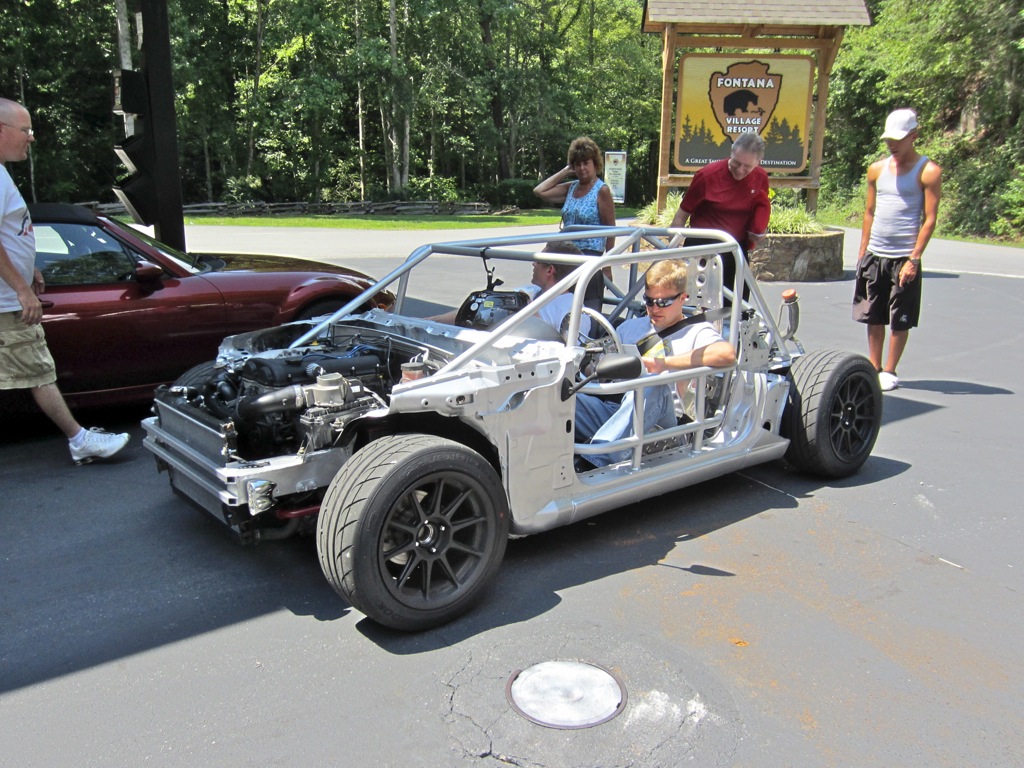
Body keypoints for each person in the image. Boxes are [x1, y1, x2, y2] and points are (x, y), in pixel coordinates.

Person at [0, 98, 130, 464]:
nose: (31, 137)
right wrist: (21, 289)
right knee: (39, 370)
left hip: (9, 292)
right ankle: (79, 439)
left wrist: (28, 269)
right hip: (7, 302)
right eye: (25, 130)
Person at [574, 259, 736, 468]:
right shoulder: (630, 328)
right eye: (649, 301)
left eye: (663, 302)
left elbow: (726, 354)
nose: (654, 309)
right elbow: (597, 369)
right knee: (560, 393)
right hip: (619, 412)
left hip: (665, 423)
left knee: (652, 384)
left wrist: (663, 364)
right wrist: (592, 365)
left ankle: (594, 462)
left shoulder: (697, 331)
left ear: (683, 298)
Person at [853, 108, 942, 392]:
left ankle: (890, 370)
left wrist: (914, 259)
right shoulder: (876, 170)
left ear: (913, 136)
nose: (892, 144)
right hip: (876, 253)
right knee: (873, 313)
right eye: (889, 139)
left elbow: (929, 219)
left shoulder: (928, 171)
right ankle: (874, 367)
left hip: (904, 256)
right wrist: (863, 251)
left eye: (898, 138)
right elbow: (869, 212)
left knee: (899, 317)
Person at [670, 132, 771, 300]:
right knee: (697, 304)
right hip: (702, 249)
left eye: (747, 167)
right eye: (736, 163)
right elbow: (681, 216)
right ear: (731, 152)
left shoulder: (760, 177)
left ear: (758, 162)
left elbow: (761, 209)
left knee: (737, 306)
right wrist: (673, 256)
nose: (740, 170)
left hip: (735, 249)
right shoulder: (707, 175)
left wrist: (760, 232)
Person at [533, 136, 616, 309]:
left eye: (586, 163)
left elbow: (611, 230)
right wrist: (565, 171)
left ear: (595, 164)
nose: (582, 168)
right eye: (577, 164)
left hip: (588, 257)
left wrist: (607, 265)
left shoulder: (601, 190)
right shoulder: (571, 187)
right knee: (555, 306)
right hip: (564, 256)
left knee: (583, 309)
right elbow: (539, 191)